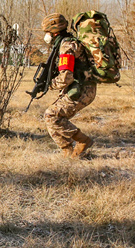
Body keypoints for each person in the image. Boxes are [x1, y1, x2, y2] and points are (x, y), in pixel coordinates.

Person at [41, 13, 96, 159]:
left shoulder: (66, 46)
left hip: (82, 90)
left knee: (51, 115)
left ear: (54, 31)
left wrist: (49, 84)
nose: (46, 36)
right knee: (53, 116)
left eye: (47, 32)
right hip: (80, 89)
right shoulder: (65, 42)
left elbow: (66, 77)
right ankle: (69, 151)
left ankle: (83, 142)